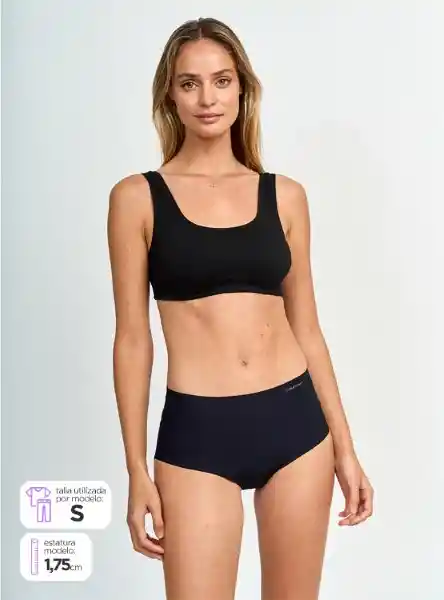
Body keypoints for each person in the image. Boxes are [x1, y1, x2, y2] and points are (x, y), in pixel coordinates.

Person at [107, 16, 374, 600]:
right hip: (197, 435)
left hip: (296, 426)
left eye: (222, 81)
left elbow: (308, 329)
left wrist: (346, 449)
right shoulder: (136, 198)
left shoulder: (285, 196)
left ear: (242, 89)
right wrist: (135, 470)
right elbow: (132, 339)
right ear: (170, 95)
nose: (208, 98)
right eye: (190, 83)